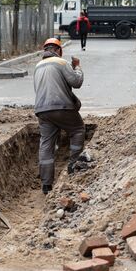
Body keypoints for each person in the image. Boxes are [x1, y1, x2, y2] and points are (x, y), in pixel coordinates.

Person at [33, 38, 85, 195]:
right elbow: (76, 82)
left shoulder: (37, 66)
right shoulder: (61, 62)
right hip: (62, 107)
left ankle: (46, 184)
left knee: (46, 144)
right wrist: (77, 67)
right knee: (77, 129)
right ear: (59, 50)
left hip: (42, 110)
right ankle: (73, 164)